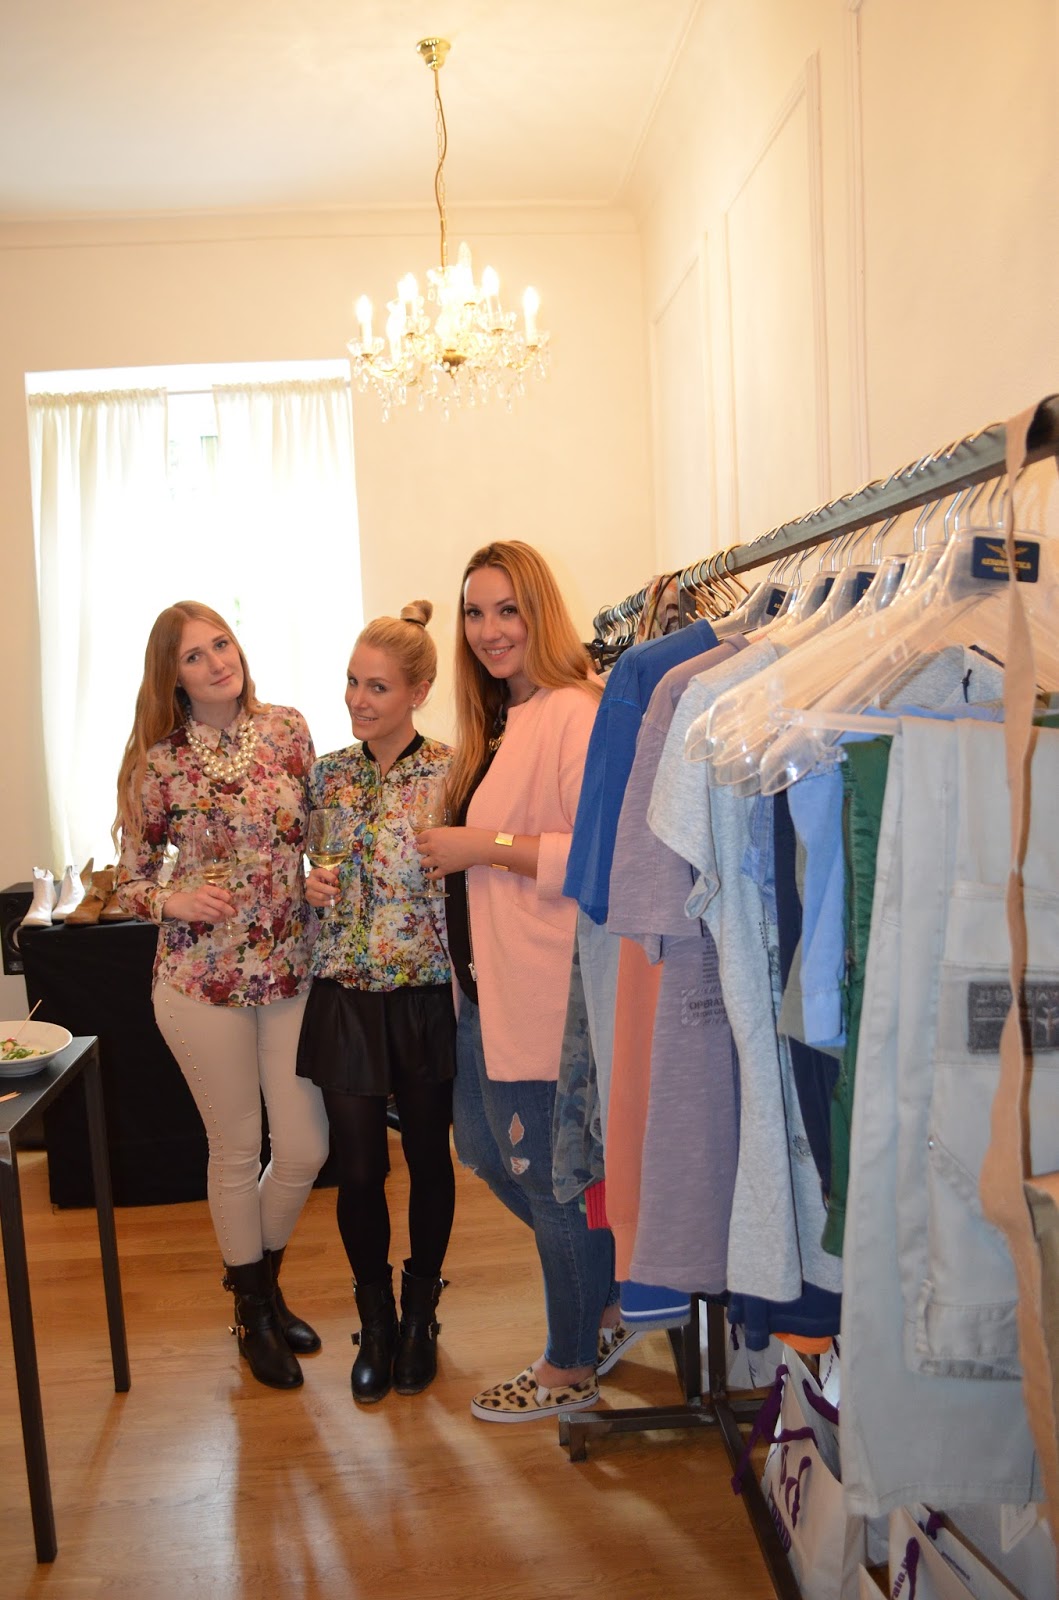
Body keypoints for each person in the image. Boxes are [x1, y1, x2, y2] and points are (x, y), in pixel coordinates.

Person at [415, 541, 628, 1422]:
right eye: (475, 612)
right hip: (482, 989)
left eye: (507, 610)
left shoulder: (575, 710)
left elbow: (598, 855)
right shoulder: (501, 720)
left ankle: (567, 1363)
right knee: (483, 1150)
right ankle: (608, 1297)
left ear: (540, 612)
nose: (489, 629)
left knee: (548, 1180)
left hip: (544, 990)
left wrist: (481, 847)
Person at [114, 601, 330, 1392]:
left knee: (303, 1148)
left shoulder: (287, 729)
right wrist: (171, 898)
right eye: (194, 656)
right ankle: (254, 1311)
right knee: (237, 1150)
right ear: (171, 677)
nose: (216, 663)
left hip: (289, 972)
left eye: (221, 644)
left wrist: (321, 875)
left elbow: (318, 835)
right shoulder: (158, 763)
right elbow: (130, 879)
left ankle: (257, 1286)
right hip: (200, 983)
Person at [296, 601, 456, 1404]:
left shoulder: (454, 773)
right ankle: (377, 1318)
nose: (358, 700)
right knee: (358, 1167)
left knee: (427, 1156)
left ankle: (421, 1314)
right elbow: (308, 867)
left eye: (378, 687)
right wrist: (311, 885)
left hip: (425, 991)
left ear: (418, 692)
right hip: (346, 991)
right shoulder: (326, 774)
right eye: (353, 682)